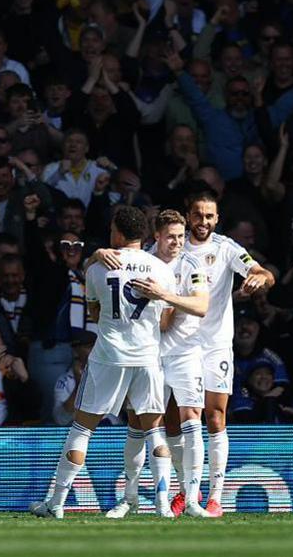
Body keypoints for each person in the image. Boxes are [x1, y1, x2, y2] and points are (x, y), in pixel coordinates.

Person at [30, 206, 176, 519]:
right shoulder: (162, 269)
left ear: (118, 233)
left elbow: (95, 313)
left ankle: (56, 504)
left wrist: (96, 257)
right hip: (148, 357)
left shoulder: (98, 269)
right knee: (154, 432)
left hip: (108, 357)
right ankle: (163, 504)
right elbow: (165, 320)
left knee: (81, 430)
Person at [96, 209, 211, 519]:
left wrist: (164, 295)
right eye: (170, 236)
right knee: (139, 425)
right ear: (156, 237)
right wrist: (98, 250)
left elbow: (201, 305)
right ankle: (130, 498)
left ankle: (191, 499)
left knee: (191, 420)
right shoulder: (144, 261)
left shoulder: (192, 264)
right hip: (149, 353)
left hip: (186, 352)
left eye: (180, 236)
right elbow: (157, 324)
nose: (176, 242)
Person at [180, 191, 275, 516]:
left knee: (215, 417)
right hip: (181, 345)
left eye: (209, 216)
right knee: (184, 418)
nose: (203, 222)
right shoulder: (174, 246)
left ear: (217, 219)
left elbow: (265, 274)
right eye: (197, 215)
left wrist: (257, 280)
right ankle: (186, 492)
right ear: (188, 215)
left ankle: (215, 496)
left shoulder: (226, 248)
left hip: (217, 344)